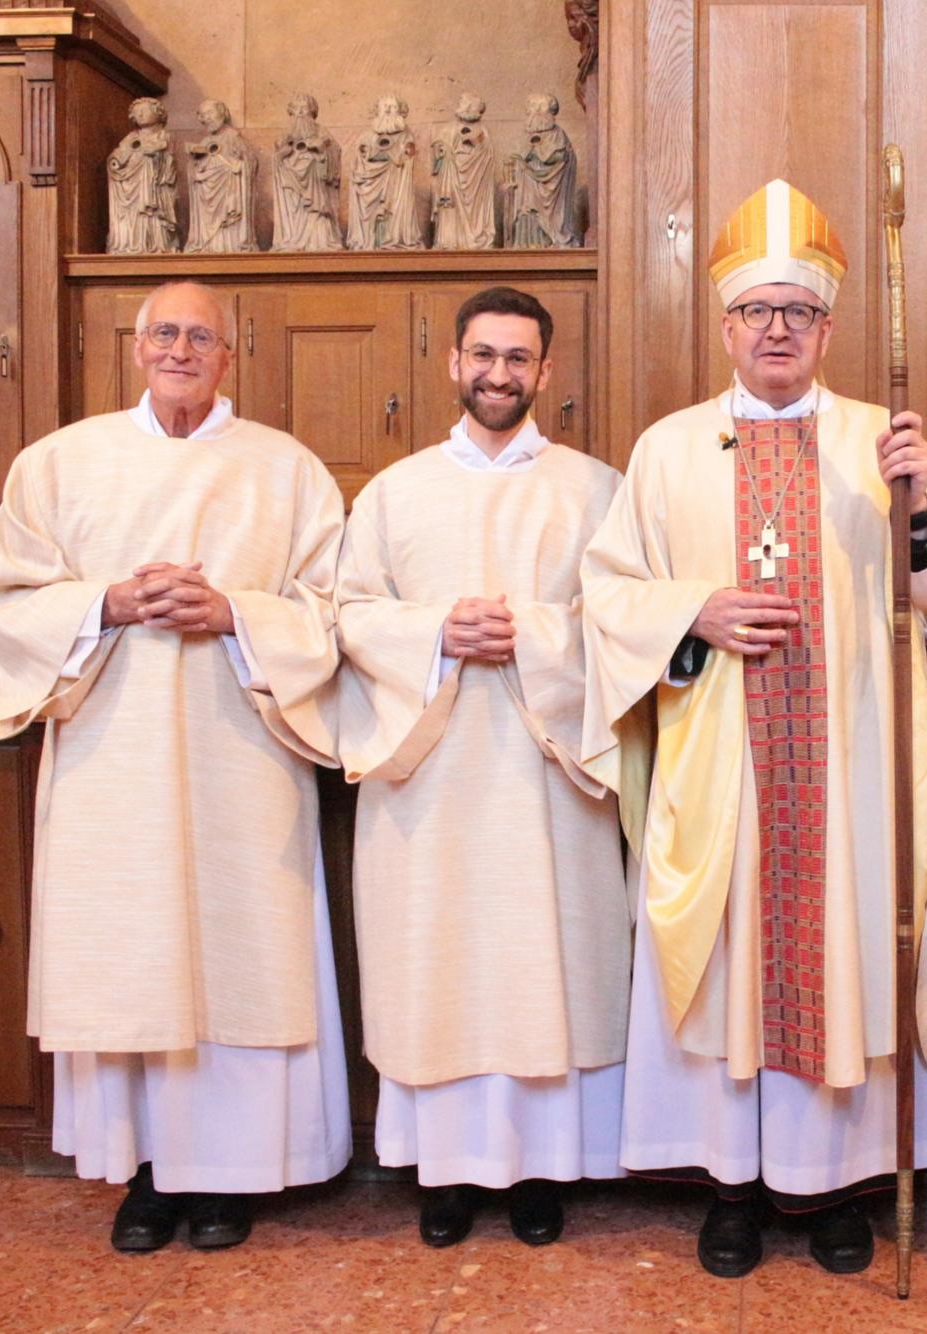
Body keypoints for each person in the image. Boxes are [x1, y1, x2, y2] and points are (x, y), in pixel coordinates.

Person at [579, 180, 927, 1279]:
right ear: (723, 326)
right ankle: (731, 1181)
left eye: (797, 312)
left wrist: (922, 511)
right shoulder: (667, 449)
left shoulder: (879, 441)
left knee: (844, 944)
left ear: (829, 328)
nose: (776, 330)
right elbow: (607, 592)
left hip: (848, 757)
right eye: (756, 311)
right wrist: (691, 611)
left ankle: (837, 1181)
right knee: (732, 959)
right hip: (720, 758)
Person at [0, 280, 350, 1251]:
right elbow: (4, 595)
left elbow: (336, 611)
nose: (181, 349)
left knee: (238, 951)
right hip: (113, 756)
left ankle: (230, 1173)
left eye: (201, 336)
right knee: (132, 952)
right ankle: (143, 1170)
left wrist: (235, 614)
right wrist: (108, 602)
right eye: (164, 332)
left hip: (242, 757)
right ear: (137, 347)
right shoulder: (59, 463)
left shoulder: (286, 470)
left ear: (232, 353)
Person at [334, 286, 628, 1249]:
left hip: (549, 776)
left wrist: (533, 638)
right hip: (431, 775)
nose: (499, 374)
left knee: (542, 960)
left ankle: (544, 1168)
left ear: (546, 372)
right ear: (451, 363)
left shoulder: (594, 489)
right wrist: (438, 632)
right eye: (483, 355)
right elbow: (348, 613)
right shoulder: (394, 491)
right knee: (438, 963)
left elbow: (625, 619)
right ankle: (443, 1172)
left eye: (519, 358)